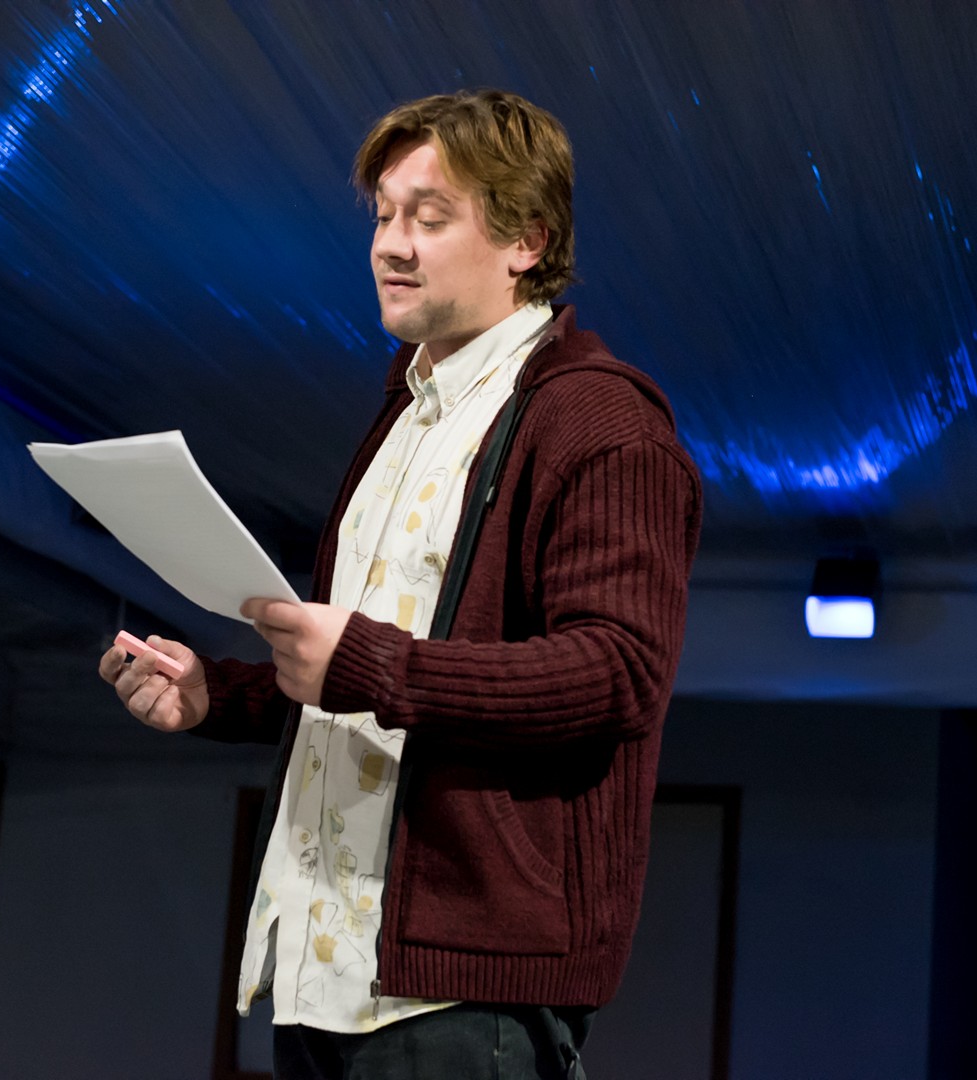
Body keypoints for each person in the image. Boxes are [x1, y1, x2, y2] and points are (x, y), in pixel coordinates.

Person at [100, 88, 702, 1080]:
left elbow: (616, 674)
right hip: (320, 970)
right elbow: (370, 670)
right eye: (383, 216)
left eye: (429, 217)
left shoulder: (601, 423)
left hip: (461, 993)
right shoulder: (407, 414)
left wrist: (366, 663)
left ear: (525, 241)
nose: (391, 244)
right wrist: (220, 695)